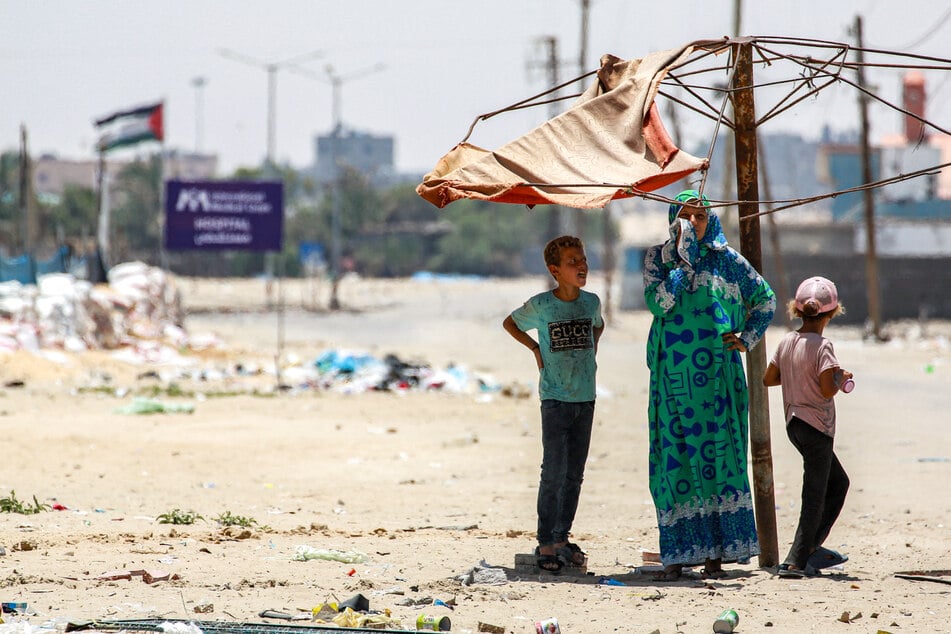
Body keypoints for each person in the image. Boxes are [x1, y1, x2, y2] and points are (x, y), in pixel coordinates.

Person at [643, 189, 776, 580]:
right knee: (674, 461)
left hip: (718, 377)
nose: (692, 223)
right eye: (685, 216)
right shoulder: (657, 259)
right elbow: (658, 304)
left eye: (699, 216)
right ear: (672, 220)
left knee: (720, 459)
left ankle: (717, 555)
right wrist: (683, 266)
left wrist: (745, 338)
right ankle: (678, 554)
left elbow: (765, 301)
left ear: (710, 220)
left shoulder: (728, 261)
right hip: (671, 379)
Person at [503, 235, 604, 573]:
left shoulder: (591, 303)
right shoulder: (542, 305)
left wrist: (589, 354)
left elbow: (597, 329)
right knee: (553, 472)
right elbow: (510, 323)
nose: (581, 266)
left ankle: (562, 537)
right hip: (556, 399)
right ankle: (546, 541)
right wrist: (535, 349)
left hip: (585, 398)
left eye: (583, 259)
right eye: (573, 261)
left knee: (575, 474)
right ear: (555, 270)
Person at [764, 276, 852, 578]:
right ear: (832, 313)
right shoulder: (824, 346)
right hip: (818, 427)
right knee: (815, 494)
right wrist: (839, 378)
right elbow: (827, 390)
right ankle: (796, 560)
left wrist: (795, 376)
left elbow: (769, 378)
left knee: (837, 483)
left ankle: (810, 548)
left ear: (797, 311)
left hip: (794, 425)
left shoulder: (787, 341)